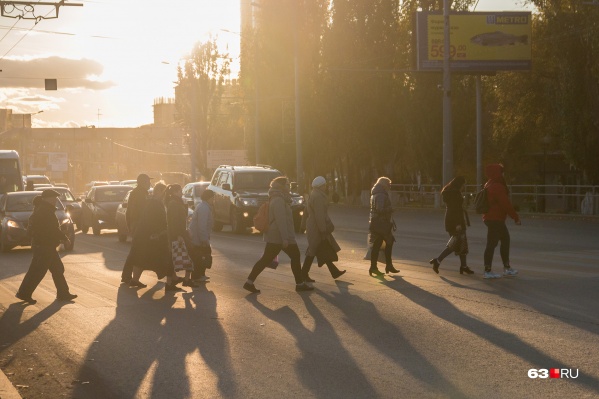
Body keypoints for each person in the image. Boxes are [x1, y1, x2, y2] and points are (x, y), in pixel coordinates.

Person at [243, 176, 313, 293]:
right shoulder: (279, 200)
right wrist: (285, 238)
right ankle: (299, 284)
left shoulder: (277, 198)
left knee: (266, 259)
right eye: (287, 184)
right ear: (281, 186)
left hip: (275, 236)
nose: (289, 186)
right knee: (294, 256)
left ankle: (249, 282)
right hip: (280, 237)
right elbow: (281, 221)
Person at [16, 190, 77, 304]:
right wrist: (64, 238)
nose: (54, 200)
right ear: (46, 199)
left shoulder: (45, 210)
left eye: (55, 198)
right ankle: (24, 293)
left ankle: (63, 293)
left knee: (57, 269)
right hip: (44, 246)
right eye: (53, 198)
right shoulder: (45, 211)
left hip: (46, 246)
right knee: (37, 271)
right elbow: (52, 229)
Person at [127, 183, 183, 292]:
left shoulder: (152, 202)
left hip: (145, 236)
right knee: (164, 257)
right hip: (150, 236)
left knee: (141, 258)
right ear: (159, 192)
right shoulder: (155, 204)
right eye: (164, 192)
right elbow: (156, 221)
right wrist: (159, 233)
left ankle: (135, 280)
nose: (165, 195)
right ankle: (171, 280)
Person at [301, 176, 346, 282]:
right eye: (325, 185)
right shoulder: (318, 197)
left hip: (315, 226)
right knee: (316, 249)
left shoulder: (315, 194)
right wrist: (322, 230)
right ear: (321, 186)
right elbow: (319, 215)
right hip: (317, 227)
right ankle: (303, 274)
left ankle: (333, 272)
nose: (326, 187)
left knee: (319, 248)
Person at [482, 164, 521, 279]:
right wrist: (515, 217)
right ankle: (488, 270)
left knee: (503, 241)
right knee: (492, 244)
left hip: (491, 218)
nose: (503, 174)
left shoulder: (489, 183)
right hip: (495, 219)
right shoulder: (498, 186)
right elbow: (505, 204)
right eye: (502, 172)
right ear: (498, 173)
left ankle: (506, 267)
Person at [429, 176, 474, 275]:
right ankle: (437, 261)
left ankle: (464, 266)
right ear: (459, 184)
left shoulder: (450, 191)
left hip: (451, 219)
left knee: (462, 244)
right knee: (454, 244)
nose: (463, 187)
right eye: (463, 185)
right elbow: (455, 210)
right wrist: (458, 224)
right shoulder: (455, 193)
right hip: (456, 220)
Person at [120, 173, 152, 283]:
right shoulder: (139, 194)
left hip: (136, 225)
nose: (150, 184)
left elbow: (129, 212)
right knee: (136, 251)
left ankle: (128, 276)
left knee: (135, 251)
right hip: (139, 225)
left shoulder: (139, 193)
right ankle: (128, 276)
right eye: (148, 182)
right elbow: (138, 212)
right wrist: (134, 226)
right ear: (143, 183)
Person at [165, 184, 197, 287]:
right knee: (187, 255)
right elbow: (174, 221)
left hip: (180, 232)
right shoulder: (174, 203)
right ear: (174, 192)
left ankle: (179, 280)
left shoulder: (177, 202)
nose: (181, 192)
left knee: (177, 257)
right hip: (177, 234)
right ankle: (173, 282)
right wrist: (178, 235)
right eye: (179, 190)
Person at [368, 177, 399, 277]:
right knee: (387, 242)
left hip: (376, 223)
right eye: (388, 184)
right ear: (384, 184)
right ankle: (384, 266)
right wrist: (390, 209)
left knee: (378, 245)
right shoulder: (381, 195)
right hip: (381, 223)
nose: (389, 186)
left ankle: (377, 267)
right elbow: (380, 209)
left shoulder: (376, 193)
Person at [188, 189, 215, 283]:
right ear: (209, 198)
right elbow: (202, 225)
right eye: (213, 198)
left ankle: (200, 274)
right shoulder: (204, 208)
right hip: (198, 237)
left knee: (202, 255)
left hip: (198, 236)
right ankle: (197, 275)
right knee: (202, 255)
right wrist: (204, 239)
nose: (213, 200)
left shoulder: (203, 206)